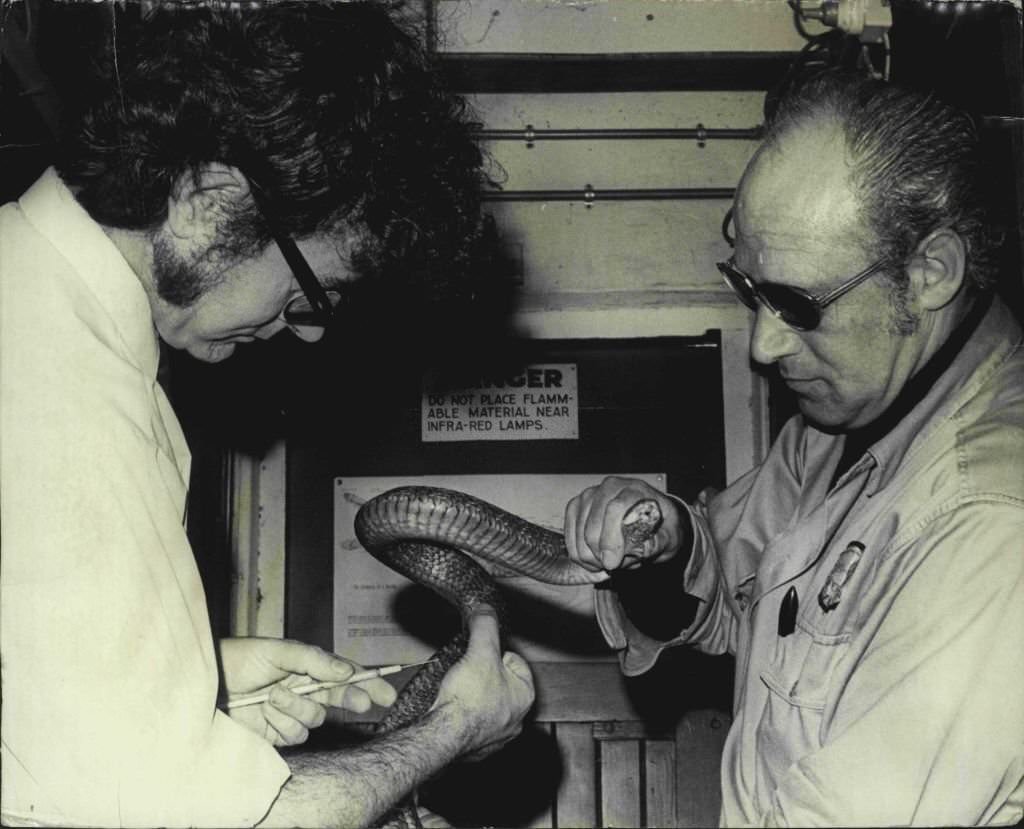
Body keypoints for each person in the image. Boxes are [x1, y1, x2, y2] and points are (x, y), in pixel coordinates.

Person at [0, 3, 533, 827]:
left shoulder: (35, 305)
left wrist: (192, 680)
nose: (299, 330)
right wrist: (453, 727)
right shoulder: (65, 390)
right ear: (208, 197)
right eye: (307, 293)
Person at [564, 71, 1024, 827]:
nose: (763, 344)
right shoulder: (839, 425)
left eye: (798, 304)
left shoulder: (990, 523)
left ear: (932, 272)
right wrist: (667, 540)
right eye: (749, 289)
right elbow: (730, 604)